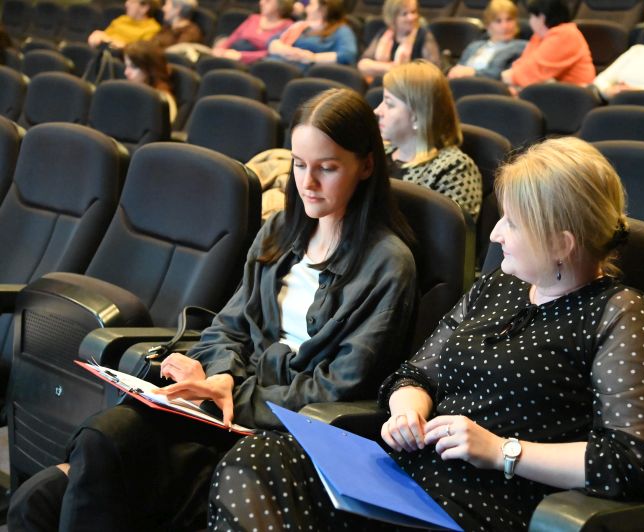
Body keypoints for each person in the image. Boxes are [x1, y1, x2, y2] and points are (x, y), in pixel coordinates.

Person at [206, 135, 644, 531]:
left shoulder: (619, 313)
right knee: (258, 460)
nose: (495, 235)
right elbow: (416, 373)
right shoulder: (499, 286)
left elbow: (632, 462)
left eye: (512, 223)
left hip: (481, 507)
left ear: (561, 243)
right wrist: (407, 409)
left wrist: (502, 452)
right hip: (402, 478)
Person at [7, 88, 417, 532]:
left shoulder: (388, 264)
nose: (308, 183)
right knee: (97, 441)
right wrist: (218, 376)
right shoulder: (281, 231)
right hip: (221, 408)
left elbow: (338, 386)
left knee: (89, 481)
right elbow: (228, 326)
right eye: (299, 165)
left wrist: (230, 393)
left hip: (278, 433)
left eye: (328, 168)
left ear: (366, 165)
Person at [374, 60, 482, 222]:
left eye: (389, 104)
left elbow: (453, 234)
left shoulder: (454, 169)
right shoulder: (377, 152)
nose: (377, 110)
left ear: (418, 116)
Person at [501, 0, 595, 90]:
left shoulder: (566, 34)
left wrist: (510, 76)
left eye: (532, 16)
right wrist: (511, 76)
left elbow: (532, 73)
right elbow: (522, 64)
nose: (530, 21)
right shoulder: (539, 36)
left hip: (572, 96)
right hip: (551, 94)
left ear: (542, 17)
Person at [358, 0, 441, 81]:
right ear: (393, 17)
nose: (411, 17)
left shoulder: (424, 35)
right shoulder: (384, 34)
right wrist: (391, 68)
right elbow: (362, 64)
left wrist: (380, 68)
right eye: (404, 14)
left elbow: (433, 71)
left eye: (413, 12)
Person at [267, 0, 358, 70]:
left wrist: (313, 58)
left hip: (306, 71)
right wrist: (283, 49)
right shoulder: (301, 25)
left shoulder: (341, 30)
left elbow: (348, 55)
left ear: (323, 9)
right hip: (279, 62)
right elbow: (273, 40)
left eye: (310, 5)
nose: (306, 9)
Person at [447, 0, 527, 80]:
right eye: (498, 21)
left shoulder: (522, 47)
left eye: (509, 19)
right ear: (488, 25)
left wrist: (473, 73)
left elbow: (500, 75)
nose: (505, 26)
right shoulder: (474, 46)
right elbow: (458, 69)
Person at [212, 0, 294, 64]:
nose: (261, 3)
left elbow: (274, 53)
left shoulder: (288, 26)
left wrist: (241, 56)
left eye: (268, 1)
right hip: (232, 55)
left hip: (255, 63)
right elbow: (234, 37)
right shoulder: (254, 18)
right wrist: (221, 49)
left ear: (281, 5)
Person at [123, 40, 178, 123]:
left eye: (133, 67)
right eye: (126, 66)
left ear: (151, 69)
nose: (126, 72)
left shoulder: (163, 101)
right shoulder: (133, 92)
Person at [88, 0, 161, 49]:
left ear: (144, 8)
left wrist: (111, 42)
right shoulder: (122, 19)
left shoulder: (153, 29)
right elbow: (104, 36)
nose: (126, 4)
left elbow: (139, 54)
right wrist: (97, 37)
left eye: (132, 1)